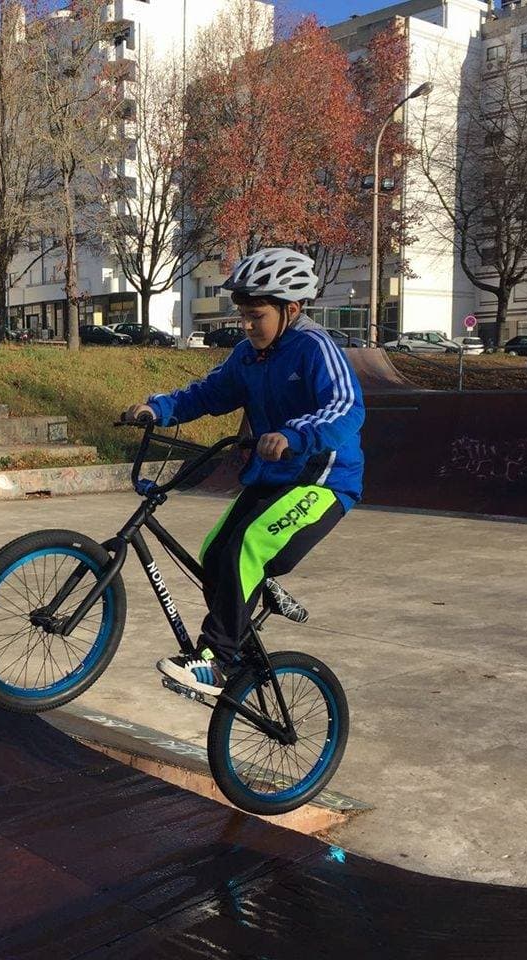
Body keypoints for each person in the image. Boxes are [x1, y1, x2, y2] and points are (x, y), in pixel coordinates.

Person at [124, 247, 365, 698]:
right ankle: (246, 627)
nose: (247, 326)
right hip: (272, 477)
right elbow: (206, 394)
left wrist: (294, 435)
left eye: (257, 316)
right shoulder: (247, 356)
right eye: (243, 316)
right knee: (215, 554)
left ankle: (216, 661)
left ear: (291, 309)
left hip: (323, 480)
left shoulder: (315, 349)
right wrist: (159, 409)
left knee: (247, 545)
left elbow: (346, 407)